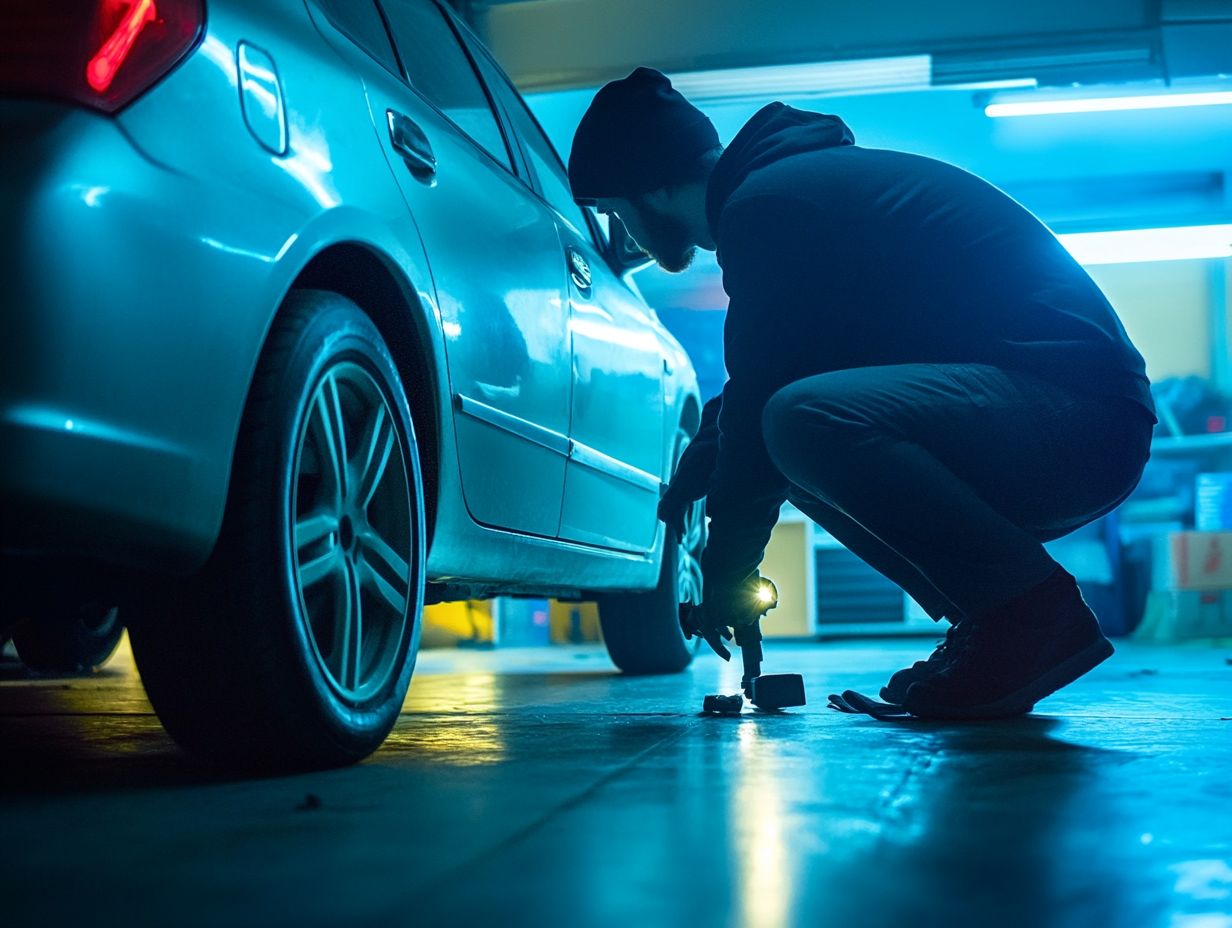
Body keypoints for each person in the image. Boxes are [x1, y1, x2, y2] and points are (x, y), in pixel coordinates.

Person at [567, 68, 1157, 719]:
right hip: (1064, 420)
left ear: (652, 186)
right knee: (783, 424)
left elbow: (769, 394)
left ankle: (1026, 615)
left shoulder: (769, 206)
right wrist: (715, 446)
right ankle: (992, 623)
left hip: (1078, 424)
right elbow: (783, 367)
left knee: (797, 421)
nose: (627, 235)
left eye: (617, 211)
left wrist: (729, 576)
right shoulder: (795, 192)